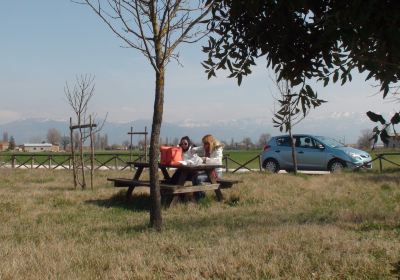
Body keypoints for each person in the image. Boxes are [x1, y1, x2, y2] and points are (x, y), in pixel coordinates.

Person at [192, 134, 224, 198]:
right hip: (208, 172)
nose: (204, 145)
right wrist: (192, 149)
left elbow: (218, 161)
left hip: (217, 173)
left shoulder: (217, 148)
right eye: (203, 143)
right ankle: (197, 197)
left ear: (209, 142)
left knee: (198, 179)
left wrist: (206, 159)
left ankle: (201, 198)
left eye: (205, 143)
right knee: (194, 177)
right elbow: (197, 149)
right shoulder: (206, 147)